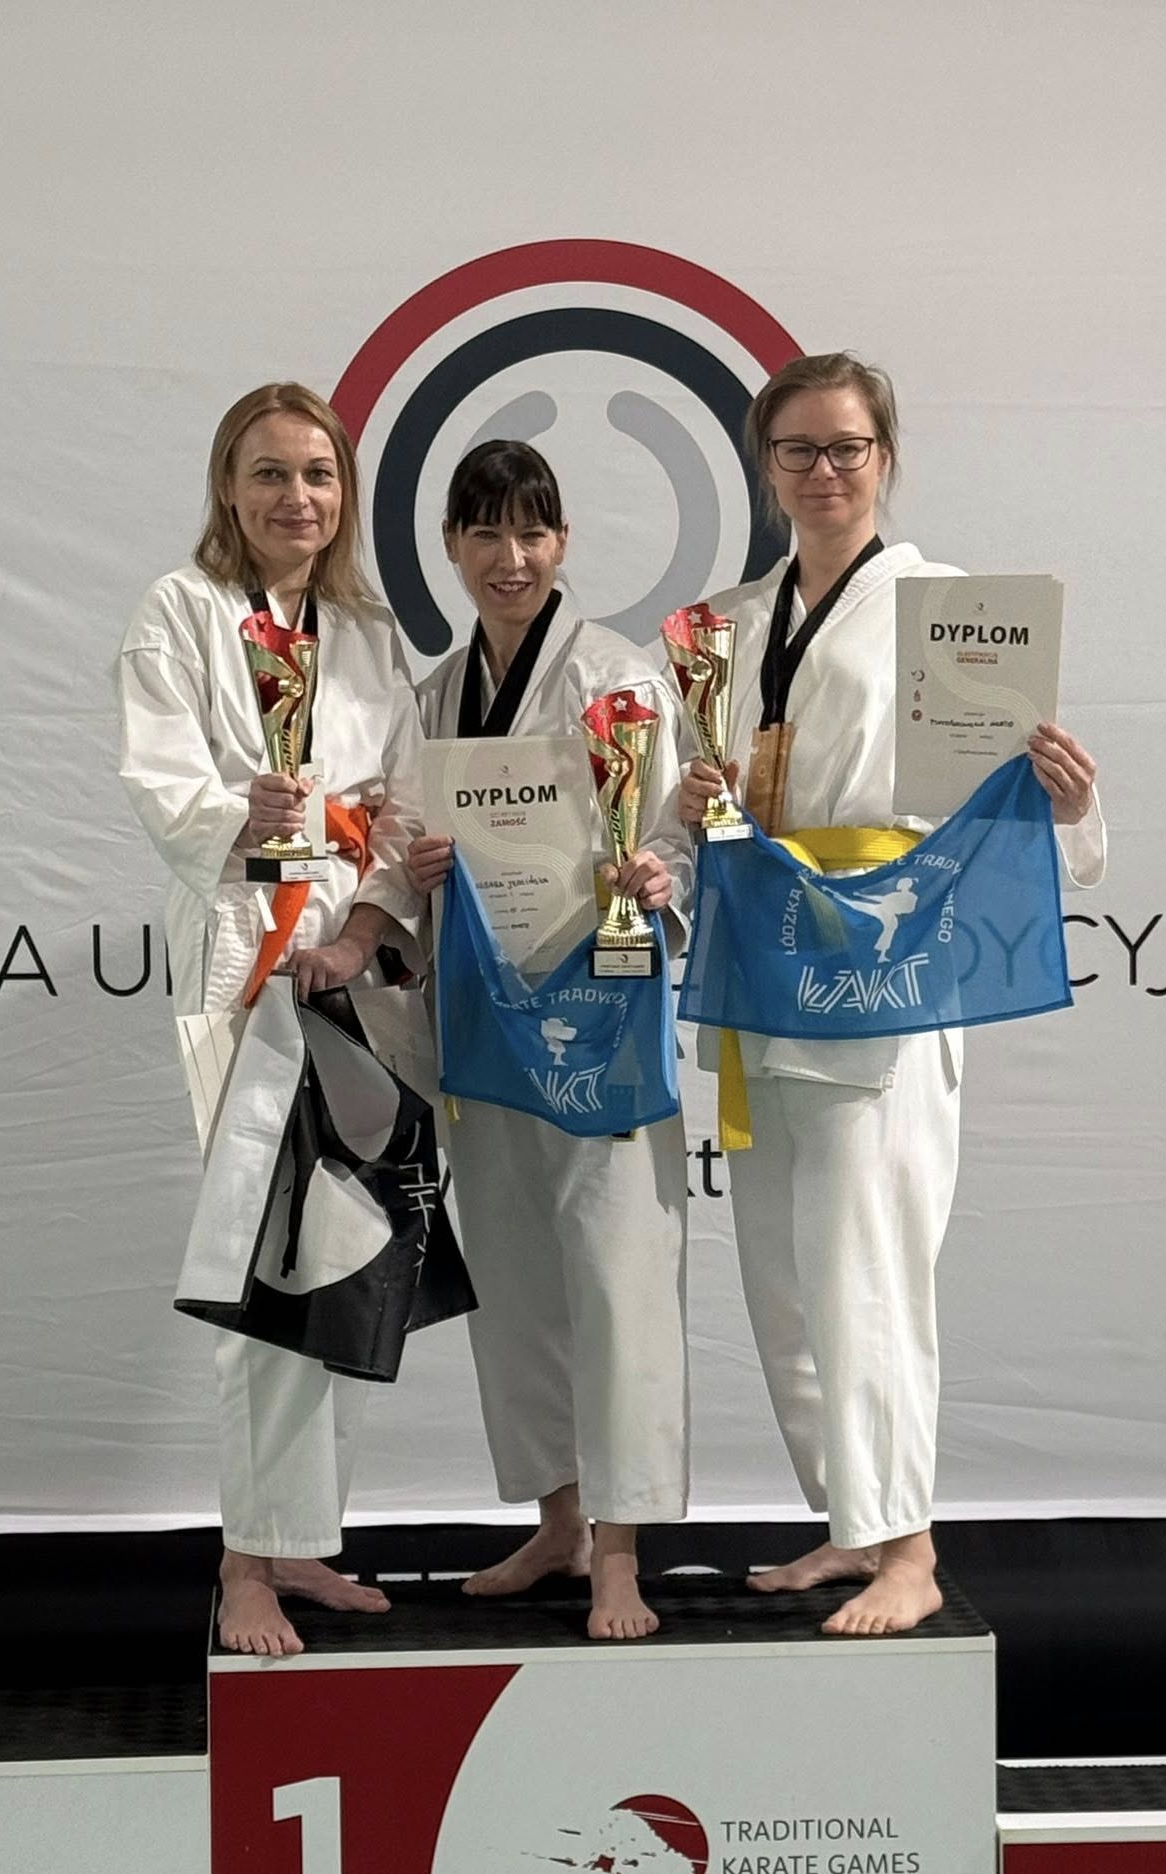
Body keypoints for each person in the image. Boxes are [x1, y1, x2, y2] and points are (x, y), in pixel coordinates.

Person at [679, 352, 1106, 1636]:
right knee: (781, 1278)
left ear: (885, 457)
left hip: (888, 968)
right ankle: (854, 1522)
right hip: (765, 962)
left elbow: (1002, 798)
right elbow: (695, 803)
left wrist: (1070, 803)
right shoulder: (724, 627)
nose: (822, 472)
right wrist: (691, 804)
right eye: (797, 449)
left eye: (845, 447)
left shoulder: (944, 608)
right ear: (764, 465)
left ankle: (909, 1543)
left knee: (867, 1264)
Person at [118, 382, 426, 1657]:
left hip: (350, 969)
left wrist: (368, 913)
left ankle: (300, 1534)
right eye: (268, 473)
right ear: (226, 487)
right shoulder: (181, 610)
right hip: (246, 960)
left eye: (317, 473)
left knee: (346, 1256)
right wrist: (245, 816)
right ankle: (246, 1558)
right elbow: (160, 777)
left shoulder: (366, 632)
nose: (295, 496)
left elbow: (402, 799)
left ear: (343, 493)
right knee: (263, 1260)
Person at [407, 441, 691, 1642]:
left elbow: (675, 828)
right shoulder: (434, 695)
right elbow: (406, 835)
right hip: (484, 1011)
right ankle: (559, 1518)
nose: (508, 558)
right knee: (516, 1272)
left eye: (530, 532)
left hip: (601, 1000)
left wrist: (655, 872)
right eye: (484, 533)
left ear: (563, 541)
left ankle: (619, 1550)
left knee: (618, 1273)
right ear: (451, 547)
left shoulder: (617, 676)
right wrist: (416, 860)